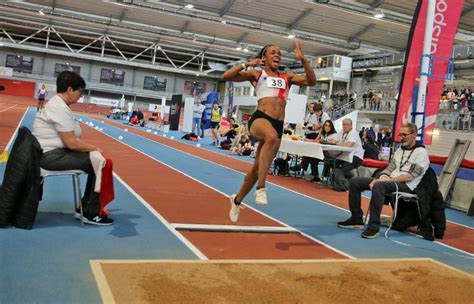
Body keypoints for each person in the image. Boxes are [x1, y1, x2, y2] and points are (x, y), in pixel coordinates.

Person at [221, 39, 316, 222]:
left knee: (256, 170)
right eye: (272, 52)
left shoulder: (286, 77)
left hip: (278, 124)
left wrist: (303, 60)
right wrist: (247, 63)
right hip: (260, 119)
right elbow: (226, 76)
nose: (277, 55)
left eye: (279, 53)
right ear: (264, 57)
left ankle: (237, 200)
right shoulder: (257, 74)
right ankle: (261, 188)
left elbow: (311, 81)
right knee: (271, 137)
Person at [32, 71, 113, 225]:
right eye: (80, 91)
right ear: (70, 90)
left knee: (96, 159)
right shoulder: (59, 108)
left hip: (50, 153)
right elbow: (71, 143)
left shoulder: (59, 104)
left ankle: (86, 206)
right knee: (101, 162)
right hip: (50, 157)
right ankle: (89, 211)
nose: (80, 95)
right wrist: (95, 148)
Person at [337, 123, 429, 239]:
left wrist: (385, 181)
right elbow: (390, 168)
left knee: (379, 186)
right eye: (400, 135)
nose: (401, 138)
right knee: (355, 181)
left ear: (414, 135)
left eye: (404, 135)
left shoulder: (422, 153)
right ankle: (356, 219)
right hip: (390, 181)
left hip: (407, 186)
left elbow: (409, 177)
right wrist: (379, 178)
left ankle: (373, 228)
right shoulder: (400, 150)